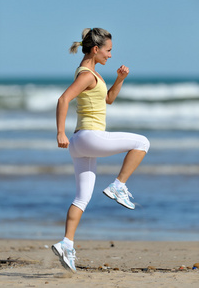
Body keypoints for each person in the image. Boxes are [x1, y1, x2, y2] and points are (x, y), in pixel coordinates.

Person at [51, 28, 150, 272]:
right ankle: (118, 185)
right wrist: (59, 132)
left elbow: (108, 100)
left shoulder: (91, 74)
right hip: (89, 136)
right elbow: (63, 99)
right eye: (108, 50)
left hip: (80, 144)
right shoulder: (86, 75)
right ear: (96, 50)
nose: (110, 55)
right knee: (142, 143)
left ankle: (66, 244)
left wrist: (119, 80)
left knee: (82, 198)